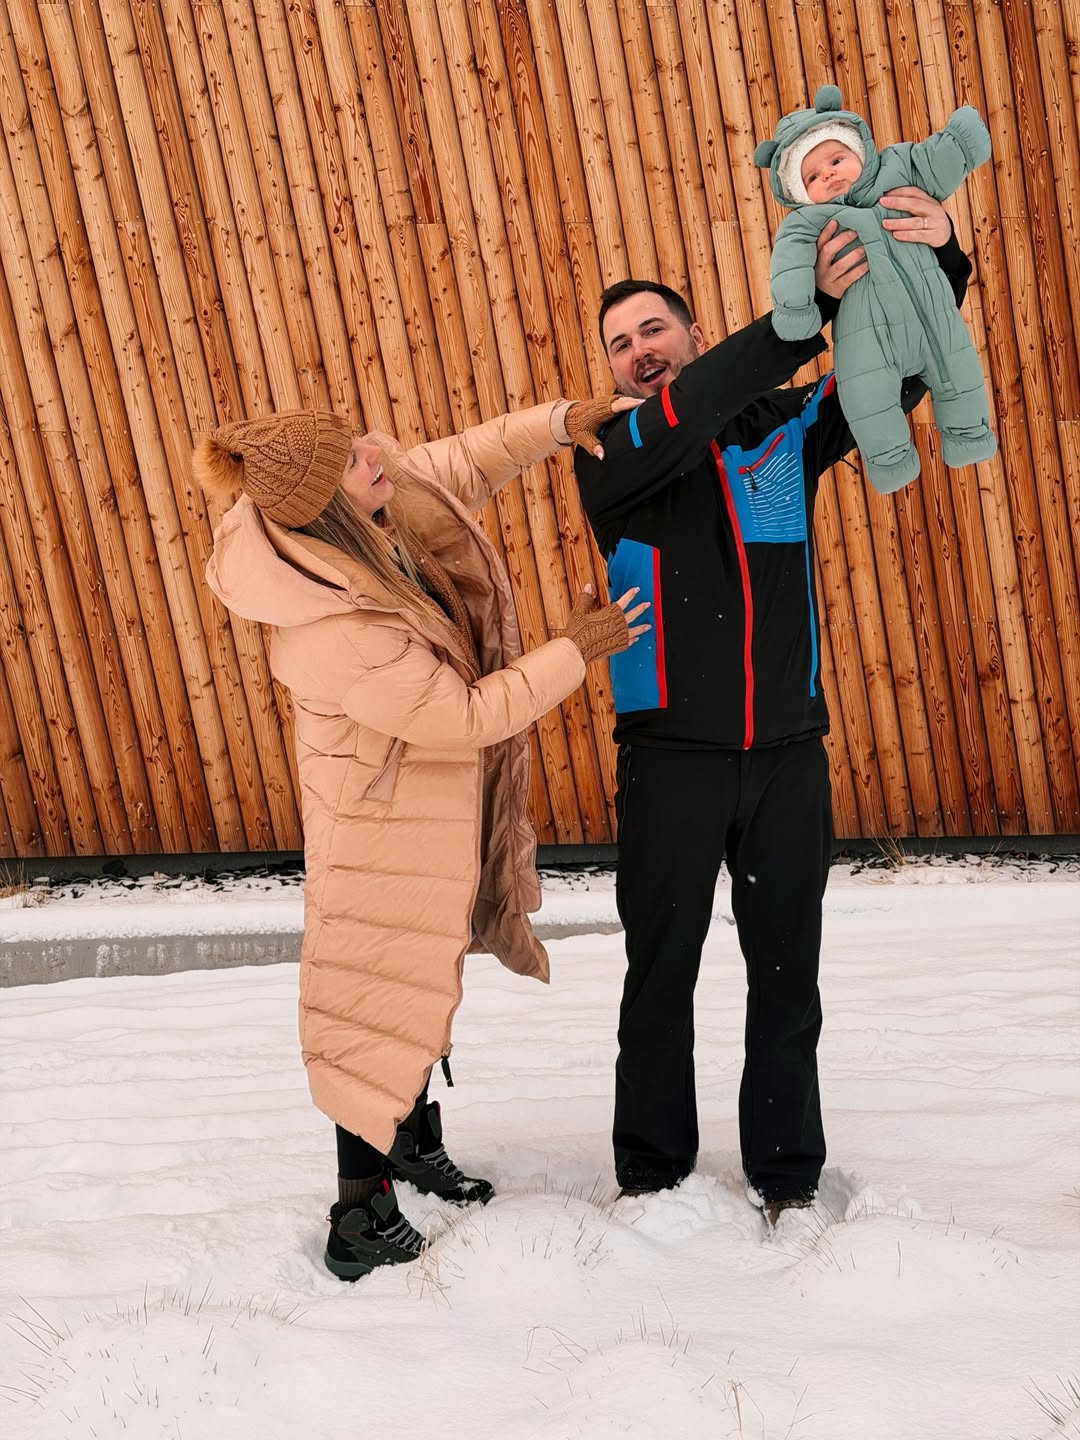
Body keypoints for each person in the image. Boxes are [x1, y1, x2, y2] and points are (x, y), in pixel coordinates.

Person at [572, 190, 972, 1226]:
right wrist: (797, 319)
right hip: (670, 760)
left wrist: (942, 263)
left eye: (654, 329)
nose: (640, 351)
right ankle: (651, 1175)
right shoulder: (611, 454)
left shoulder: (782, 428)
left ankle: (788, 1175)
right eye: (620, 343)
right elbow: (695, 406)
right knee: (659, 978)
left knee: (789, 979)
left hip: (789, 754)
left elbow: (897, 369)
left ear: (692, 333)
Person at [193, 395, 649, 1280]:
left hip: (422, 811)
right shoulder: (334, 628)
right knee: (370, 1008)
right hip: (376, 837)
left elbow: (465, 461)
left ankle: (409, 1140)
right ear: (327, 505)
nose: (377, 452)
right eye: (353, 458)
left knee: (418, 984)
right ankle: (358, 1216)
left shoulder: (363, 511)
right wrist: (574, 650)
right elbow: (465, 715)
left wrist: (561, 422)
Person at [753, 84, 996, 491]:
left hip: (935, 318)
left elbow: (933, 162)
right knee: (866, 398)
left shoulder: (896, 168)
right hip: (865, 338)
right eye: (812, 176)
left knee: (959, 372)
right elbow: (788, 264)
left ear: (859, 151)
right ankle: (890, 460)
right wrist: (795, 310)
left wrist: (960, 141)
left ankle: (968, 434)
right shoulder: (806, 223)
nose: (828, 174)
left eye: (836, 159)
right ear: (798, 192)